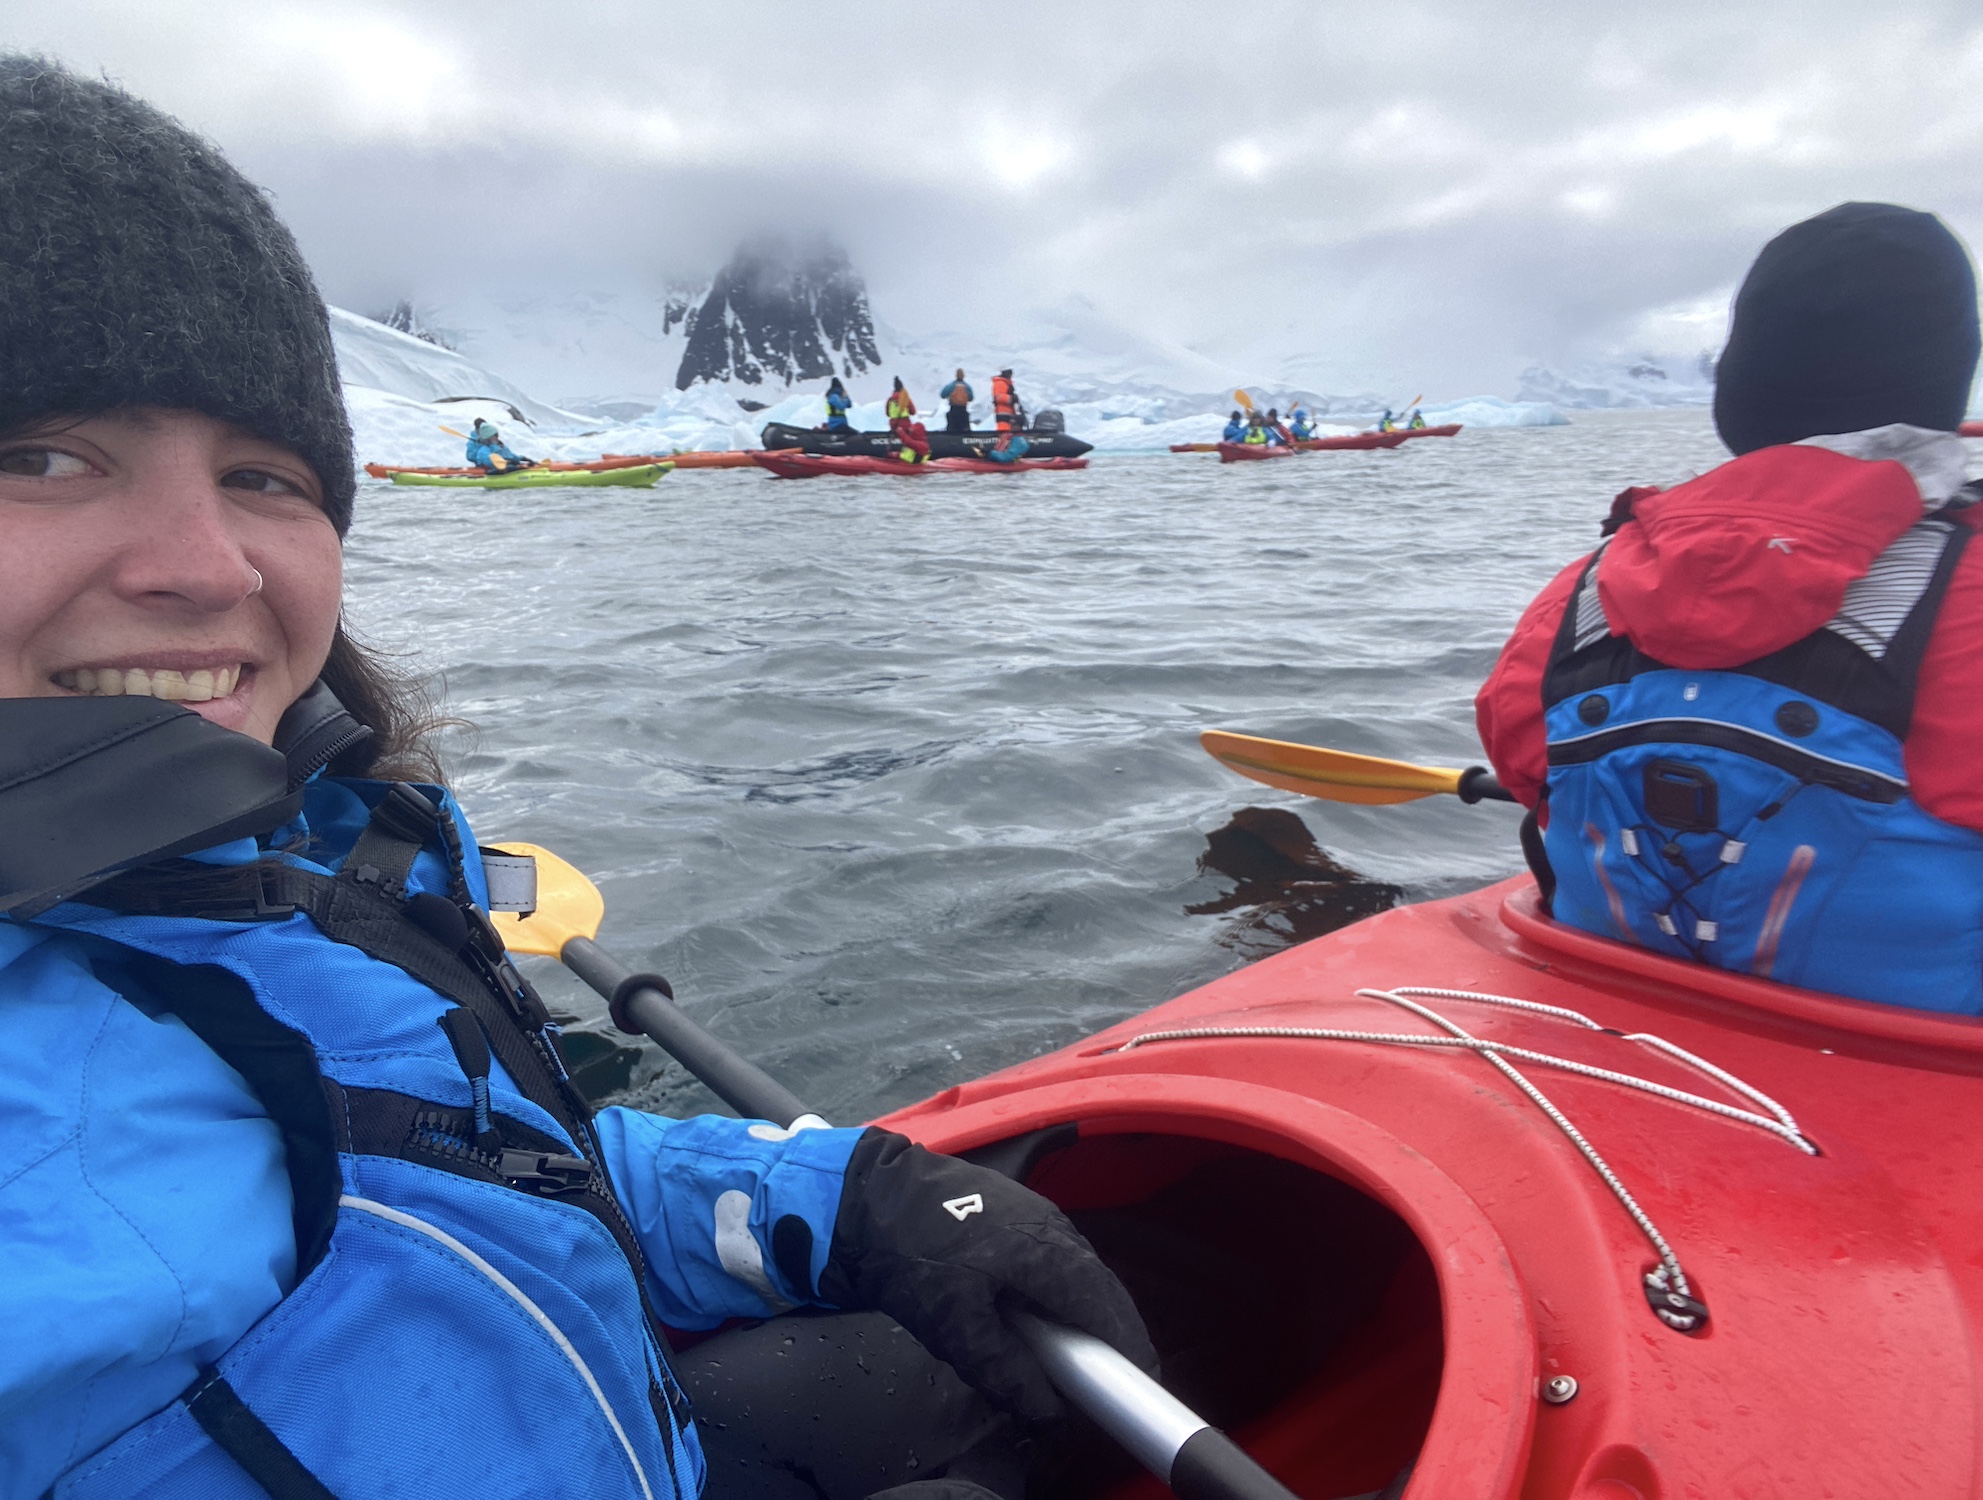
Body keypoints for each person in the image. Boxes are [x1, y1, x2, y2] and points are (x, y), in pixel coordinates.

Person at [0, 57, 1156, 1500]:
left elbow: (453, 1169)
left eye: (265, 477)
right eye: (41, 455)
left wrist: (836, 1197)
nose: (204, 566)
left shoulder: (285, 859)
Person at [1475, 201, 1983, 1016]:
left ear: (1739, 389)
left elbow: (1523, 773)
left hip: (1620, 1041)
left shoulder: (1573, 594)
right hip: (1923, 1083)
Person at [886, 376, 930, 463]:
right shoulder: (906, 399)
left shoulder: (890, 400)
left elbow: (887, 413)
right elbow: (913, 412)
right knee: (910, 442)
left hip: (893, 425)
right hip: (905, 425)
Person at [466, 416, 531, 471]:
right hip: (493, 470)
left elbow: (510, 456)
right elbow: (494, 463)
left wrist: (522, 458)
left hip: (506, 466)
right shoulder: (483, 451)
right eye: (494, 435)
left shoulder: (500, 445)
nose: (497, 437)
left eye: (497, 435)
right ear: (489, 437)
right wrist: (515, 467)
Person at [939, 369, 974, 435]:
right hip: (963, 411)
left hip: (953, 411)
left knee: (951, 432)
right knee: (966, 432)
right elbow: (971, 398)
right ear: (963, 376)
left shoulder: (951, 386)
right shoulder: (967, 387)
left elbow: (943, 395)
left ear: (956, 375)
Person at [992, 369, 1022, 434]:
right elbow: (998, 397)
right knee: (1004, 433)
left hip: (1008, 414)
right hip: (1003, 414)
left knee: (1008, 433)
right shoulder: (1000, 383)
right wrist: (1011, 398)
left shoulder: (1006, 383)